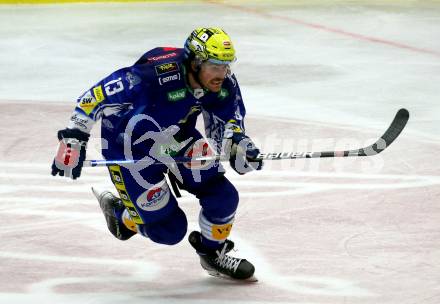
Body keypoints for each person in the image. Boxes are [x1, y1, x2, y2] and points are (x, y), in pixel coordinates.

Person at [51, 27, 263, 281]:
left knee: (224, 196)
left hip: (175, 137)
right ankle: (122, 217)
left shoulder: (224, 83)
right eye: (215, 66)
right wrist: (73, 139)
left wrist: (238, 145)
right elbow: (93, 98)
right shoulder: (152, 76)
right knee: (169, 231)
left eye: (226, 66)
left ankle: (212, 253)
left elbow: (227, 124)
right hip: (128, 146)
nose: (223, 73)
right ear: (195, 63)